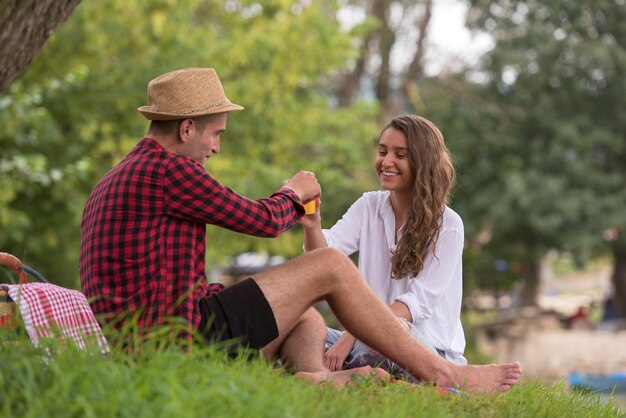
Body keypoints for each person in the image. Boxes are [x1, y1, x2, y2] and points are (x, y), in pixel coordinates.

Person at [80, 67, 522, 393]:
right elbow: (264, 221)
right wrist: (295, 192)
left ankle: (319, 381)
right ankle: (443, 374)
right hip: (177, 340)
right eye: (216, 134)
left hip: (154, 335)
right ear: (188, 127)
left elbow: (156, 281)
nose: (216, 146)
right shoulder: (168, 170)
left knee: (304, 314)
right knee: (329, 264)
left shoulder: (123, 174)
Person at [300, 114, 467, 376]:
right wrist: (312, 224)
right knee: (301, 327)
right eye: (382, 151)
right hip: (368, 342)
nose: (386, 162)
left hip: (428, 351)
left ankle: (343, 370)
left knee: (397, 331)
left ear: (422, 161)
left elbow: (414, 306)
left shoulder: (448, 225)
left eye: (400, 155)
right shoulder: (369, 206)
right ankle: (346, 373)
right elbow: (325, 255)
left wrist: (351, 335)